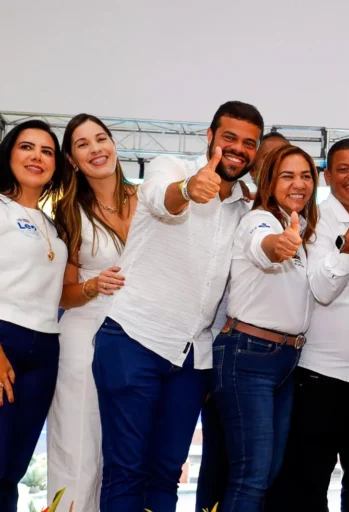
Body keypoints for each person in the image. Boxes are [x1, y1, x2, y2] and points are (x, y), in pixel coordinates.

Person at [91, 101, 263, 512]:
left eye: (249, 143)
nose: (238, 149)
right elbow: (159, 199)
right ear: (209, 137)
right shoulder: (172, 167)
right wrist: (187, 190)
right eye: (229, 138)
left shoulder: (247, 204)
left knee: (167, 472)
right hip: (134, 338)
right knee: (126, 470)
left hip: (192, 357)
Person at [267, 138, 349, 512]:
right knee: (308, 484)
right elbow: (322, 289)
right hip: (319, 378)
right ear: (327, 175)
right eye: (343, 169)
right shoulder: (311, 223)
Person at [211, 145, 319, 511]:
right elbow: (263, 246)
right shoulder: (260, 220)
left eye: (306, 176)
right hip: (249, 355)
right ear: (269, 180)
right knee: (252, 476)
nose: (299, 184)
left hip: (284, 360)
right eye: (287, 176)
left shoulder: (300, 227)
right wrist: (280, 246)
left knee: (267, 472)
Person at [47, 114, 139, 511]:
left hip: (141, 335)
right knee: (79, 446)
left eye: (101, 139)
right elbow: (62, 296)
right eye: (83, 144)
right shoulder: (67, 211)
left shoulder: (148, 200)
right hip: (85, 334)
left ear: (114, 145)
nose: (96, 149)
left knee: (130, 451)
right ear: (71, 159)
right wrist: (90, 285)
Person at [0, 120, 68, 512]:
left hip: (45, 349)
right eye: (27, 147)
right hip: (4, 342)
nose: (37, 157)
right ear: (9, 153)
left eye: (46, 151)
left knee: (13, 467)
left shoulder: (52, 225)